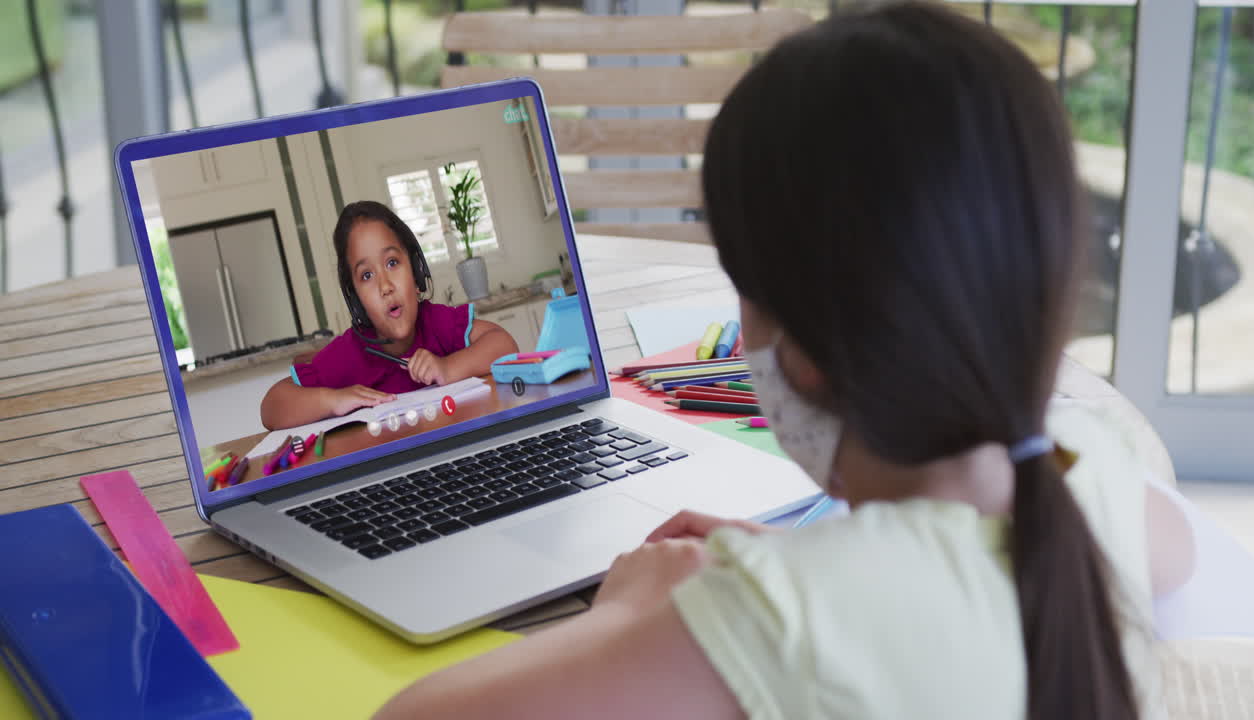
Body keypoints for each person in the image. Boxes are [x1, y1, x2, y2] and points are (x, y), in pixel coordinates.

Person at [374, 4, 1194, 718]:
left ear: (797, 356)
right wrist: (807, 563)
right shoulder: (1098, 477)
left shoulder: (781, 620)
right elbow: (1168, 550)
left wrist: (628, 616)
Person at [260, 201, 516, 430]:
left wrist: (448, 367)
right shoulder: (350, 353)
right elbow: (272, 406)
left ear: (415, 272)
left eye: (392, 262)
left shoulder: (436, 323)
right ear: (357, 300)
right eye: (367, 276)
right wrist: (333, 400)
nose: (385, 286)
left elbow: (504, 344)